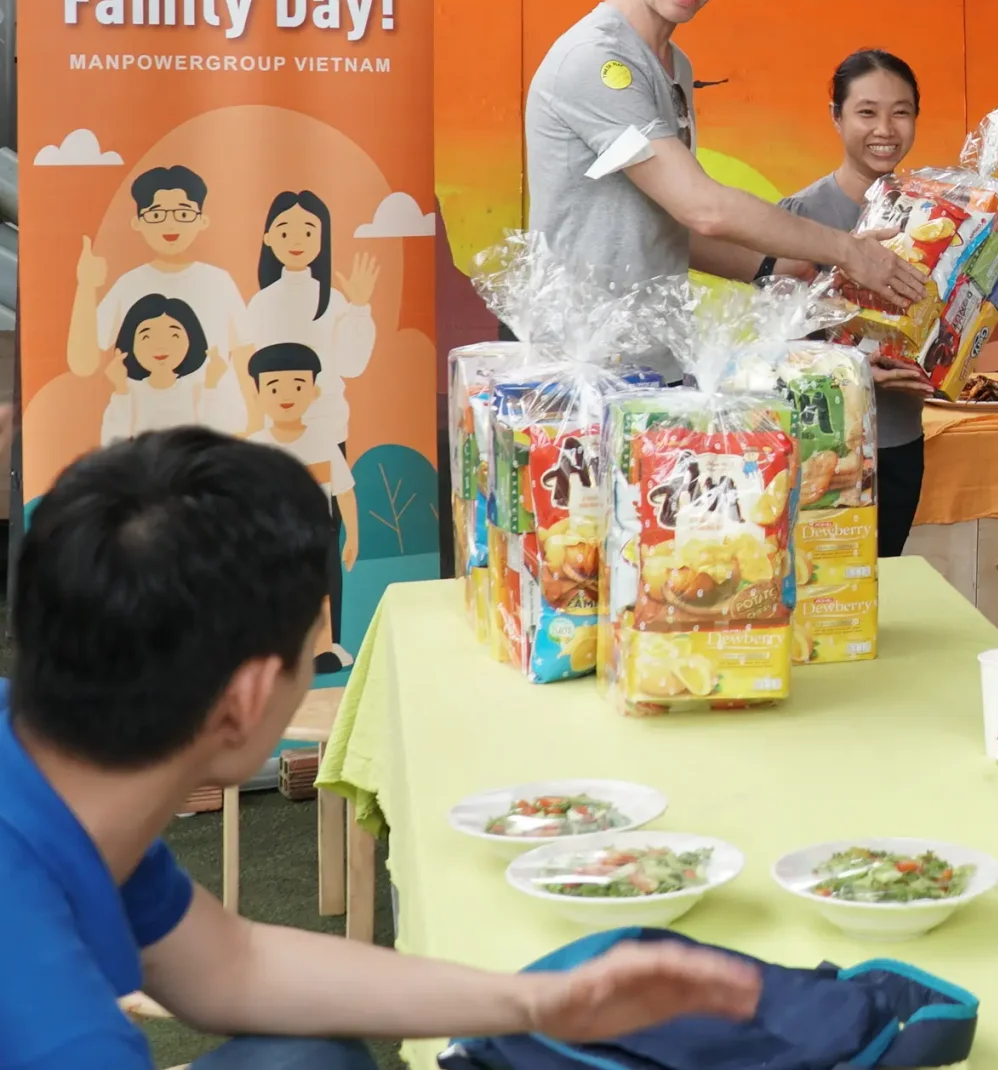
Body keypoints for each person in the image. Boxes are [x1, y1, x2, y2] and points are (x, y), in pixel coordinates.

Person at [0, 428, 761, 1069]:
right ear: (249, 699)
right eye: (313, 645)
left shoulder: (67, 786)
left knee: (305, 1062)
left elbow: (231, 966)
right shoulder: (63, 1032)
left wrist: (538, 1002)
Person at [523, 0, 926, 356]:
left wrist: (779, 267)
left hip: (657, 359)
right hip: (585, 366)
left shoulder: (675, 66)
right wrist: (848, 250)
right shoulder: (597, 60)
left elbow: (666, 223)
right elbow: (702, 207)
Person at [777, 49, 934, 557]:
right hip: (820, 447)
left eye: (901, 112)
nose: (885, 129)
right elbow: (771, 345)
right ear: (837, 116)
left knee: (884, 582)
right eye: (867, 112)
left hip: (897, 440)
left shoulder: (935, 217)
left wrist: (993, 284)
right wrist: (853, 367)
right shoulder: (798, 217)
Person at [68, 165, 247, 401]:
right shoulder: (129, 284)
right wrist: (86, 286)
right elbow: (83, 364)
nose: (170, 225)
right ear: (137, 222)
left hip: (213, 415)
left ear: (202, 220)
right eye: (156, 215)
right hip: (143, 414)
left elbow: (245, 355)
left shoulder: (219, 282)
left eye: (183, 214)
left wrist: (254, 416)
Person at [244, 343, 359, 669]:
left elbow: (344, 491)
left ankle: (325, 649)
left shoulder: (323, 440)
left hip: (318, 533)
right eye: (274, 387)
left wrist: (352, 535)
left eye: (297, 385)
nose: (286, 395)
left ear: (314, 391)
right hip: (273, 537)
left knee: (323, 590)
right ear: (257, 394)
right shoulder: (256, 446)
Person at [238, 192, 376, 455]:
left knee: (330, 483)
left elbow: (351, 366)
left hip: (327, 425)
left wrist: (359, 307)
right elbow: (249, 370)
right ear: (268, 238)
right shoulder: (261, 303)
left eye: (309, 232)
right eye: (285, 232)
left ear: (322, 239)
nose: (297, 241)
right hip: (275, 431)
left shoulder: (333, 300)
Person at [101, 295, 238, 441]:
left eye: (174, 336)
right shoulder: (130, 395)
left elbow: (216, 438)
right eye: (147, 337)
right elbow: (114, 441)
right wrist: (121, 389)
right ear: (130, 344)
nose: (161, 345)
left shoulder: (197, 392)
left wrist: (211, 384)